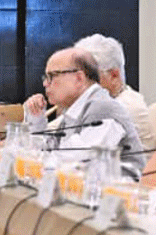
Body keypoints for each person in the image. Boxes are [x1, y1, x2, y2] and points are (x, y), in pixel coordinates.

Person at [23, 47, 146, 180]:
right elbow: (45, 152)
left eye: (51, 76)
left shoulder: (103, 109)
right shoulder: (76, 109)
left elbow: (71, 163)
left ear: (79, 78)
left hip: (120, 192)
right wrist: (37, 120)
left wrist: (27, 157)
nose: (45, 83)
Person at [73, 33, 155, 151]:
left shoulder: (125, 108)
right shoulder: (103, 101)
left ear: (114, 75)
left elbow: (78, 153)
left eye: (88, 77)